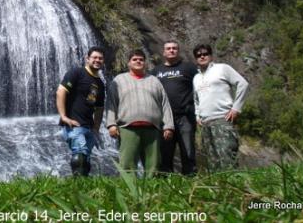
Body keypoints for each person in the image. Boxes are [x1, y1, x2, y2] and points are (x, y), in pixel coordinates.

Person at [106, 49, 174, 177]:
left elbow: (165, 104)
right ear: (128, 63)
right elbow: (111, 103)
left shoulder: (154, 80)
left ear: (145, 63)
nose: (138, 61)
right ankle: (129, 191)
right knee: (127, 163)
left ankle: (153, 191)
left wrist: (168, 126)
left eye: (141, 59)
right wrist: (111, 124)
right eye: (135, 59)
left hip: (152, 129)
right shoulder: (119, 80)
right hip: (127, 128)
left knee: (153, 163)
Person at [192, 44, 250, 171]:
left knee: (227, 157)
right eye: (198, 55)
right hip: (206, 124)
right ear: (195, 58)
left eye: (205, 53)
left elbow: (243, 84)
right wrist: (197, 115)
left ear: (211, 55)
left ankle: (235, 188)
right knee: (212, 162)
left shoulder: (223, 68)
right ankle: (218, 188)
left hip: (223, 120)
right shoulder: (196, 78)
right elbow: (196, 99)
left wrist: (236, 108)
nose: (202, 56)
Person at [150, 40, 199, 175]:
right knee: (165, 152)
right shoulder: (156, 71)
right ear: (163, 52)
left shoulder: (189, 68)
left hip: (185, 117)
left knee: (188, 151)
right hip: (164, 118)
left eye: (174, 48)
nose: (171, 50)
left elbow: (201, 86)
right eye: (168, 48)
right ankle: (166, 184)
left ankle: (191, 180)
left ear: (178, 51)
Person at [56, 46, 106, 176]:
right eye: (94, 57)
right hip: (74, 124)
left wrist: (96, 128)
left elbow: (100, 108)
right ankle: (78, 184)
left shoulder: (100, 83)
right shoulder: (77, 73)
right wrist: (63, 117)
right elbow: (61, 91)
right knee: (80, 152)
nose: (97, 60)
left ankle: (83, 184)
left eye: (100, 58)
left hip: (88, 126)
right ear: (87, 59)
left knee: (86, 157)